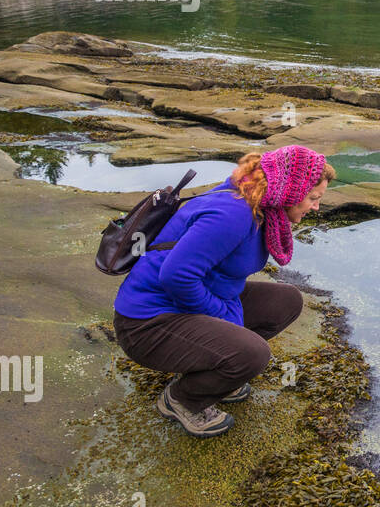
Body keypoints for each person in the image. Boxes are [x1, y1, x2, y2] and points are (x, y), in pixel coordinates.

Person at [112, 144, 336, 438]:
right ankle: (183, 399)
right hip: (147, 324)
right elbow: (177, 276)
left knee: (286, 301)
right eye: (313, 198)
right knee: (253, 354)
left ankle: (210, 369)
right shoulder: (232, 213)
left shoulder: (259, 206)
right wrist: (224, 317)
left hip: (185, 303)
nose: (316, 207)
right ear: (289, 192)